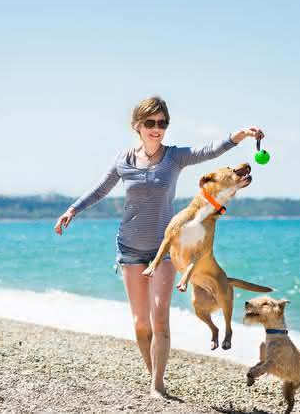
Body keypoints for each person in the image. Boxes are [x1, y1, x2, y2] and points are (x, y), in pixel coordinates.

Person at [54, 96, 264, 397]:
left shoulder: (174, 158)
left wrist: (239, 136)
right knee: (141, 324)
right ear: (137, 126)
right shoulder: (123, 160)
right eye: (150, 123)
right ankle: (153, 373)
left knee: (160, 318)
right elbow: (101, 189)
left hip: (164, 250)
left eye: (162, 123)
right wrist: (73, 209)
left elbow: (207, 151)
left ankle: (158, 385)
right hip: (129, 248)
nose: (157, 129)